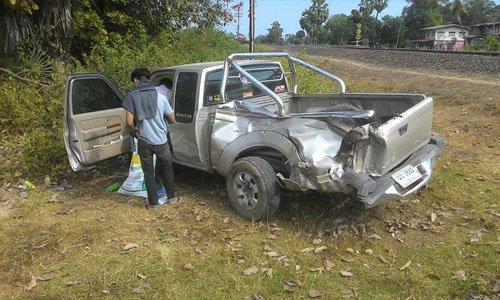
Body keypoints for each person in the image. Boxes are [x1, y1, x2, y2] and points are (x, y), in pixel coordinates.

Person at [122, 68, 180, 209]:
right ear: (149, 79)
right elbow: (172, 118)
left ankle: (153, 204)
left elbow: (129, 122)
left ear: (136, 80)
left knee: (148, 172)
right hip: (161, 141)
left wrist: (134, 132)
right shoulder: (161, 97)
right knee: (167, 168)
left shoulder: (132, 96)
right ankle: (172, 198)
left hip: (144, 142)